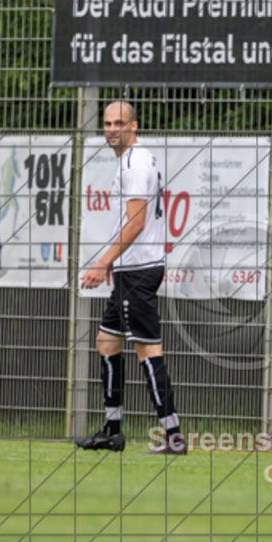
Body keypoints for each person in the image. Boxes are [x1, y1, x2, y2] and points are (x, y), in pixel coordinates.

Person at [75, 101, 186, 455]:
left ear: (133, 126)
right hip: (132, 269)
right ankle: (112, 430)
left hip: (138, 269)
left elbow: (136, 223)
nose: (112, 129)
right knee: (107, 341)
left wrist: (102, 263)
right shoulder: (134, 159)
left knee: (148, 351)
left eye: (119, 123)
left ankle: (173, 437)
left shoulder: (135, 163)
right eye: (107, 123)